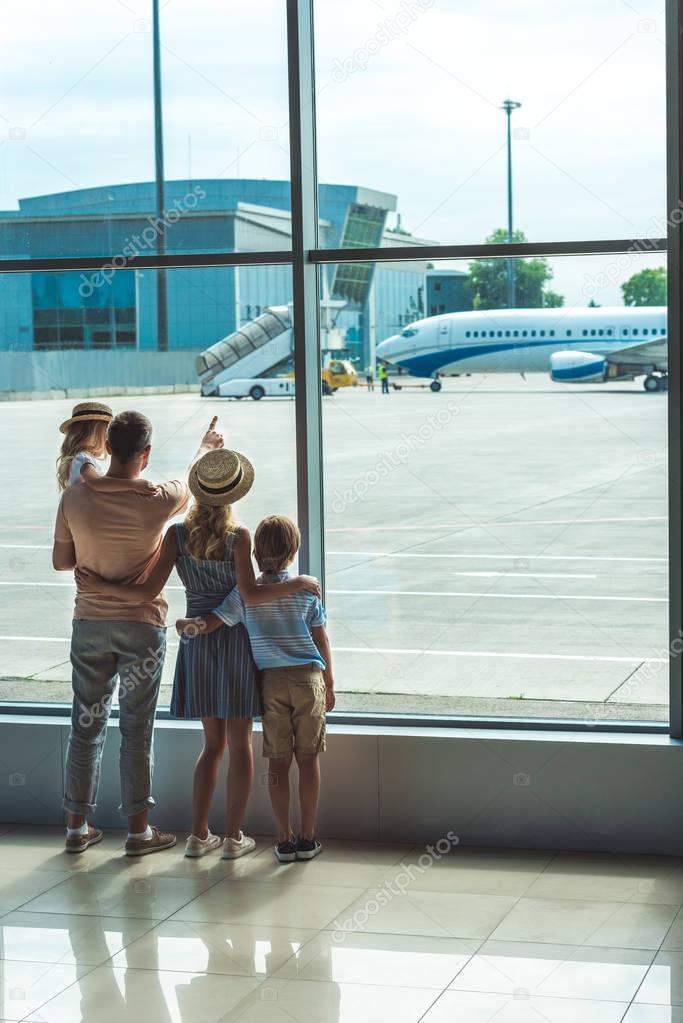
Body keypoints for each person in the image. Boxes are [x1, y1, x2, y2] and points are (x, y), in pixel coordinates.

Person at [77, 450, 322, 860]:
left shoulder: (176, 535)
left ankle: (197, 835)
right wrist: (299, 583)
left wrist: (101, 587)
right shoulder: (238, 537)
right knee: (240, 745)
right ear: (233, 494)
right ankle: (232, 839)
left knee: (211, 746)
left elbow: (145, 590)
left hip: (198, 645)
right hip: (234, 643)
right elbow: (251, 595)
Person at [53, 411, 223, 856]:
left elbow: (63, 562)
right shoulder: (159, 497)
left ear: (108, 448)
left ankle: (76, 827)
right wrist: (206, 445)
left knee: (85, 724)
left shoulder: (73, 497)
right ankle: (138, 832)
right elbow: (192, 479)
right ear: (145, 454)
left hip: (88, 621)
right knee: (136, 728)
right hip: (142, 625)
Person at [176, 514, 334, 863]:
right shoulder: (306, 590)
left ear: (255, 553)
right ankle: (308, 838)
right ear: (293, 552)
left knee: (277, 764)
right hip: (309, 679)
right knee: (308, 761)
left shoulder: (245, 595)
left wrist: (186, 625)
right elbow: (321, 639)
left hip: (271, 683)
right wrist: (330, 684)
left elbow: (213, 622)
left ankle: (283, 839)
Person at [57, 401, 159, 496]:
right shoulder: (83, 458)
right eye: (107, 433)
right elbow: (96, 483)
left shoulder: (80, 459)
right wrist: (134, 484)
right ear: (95, 434)